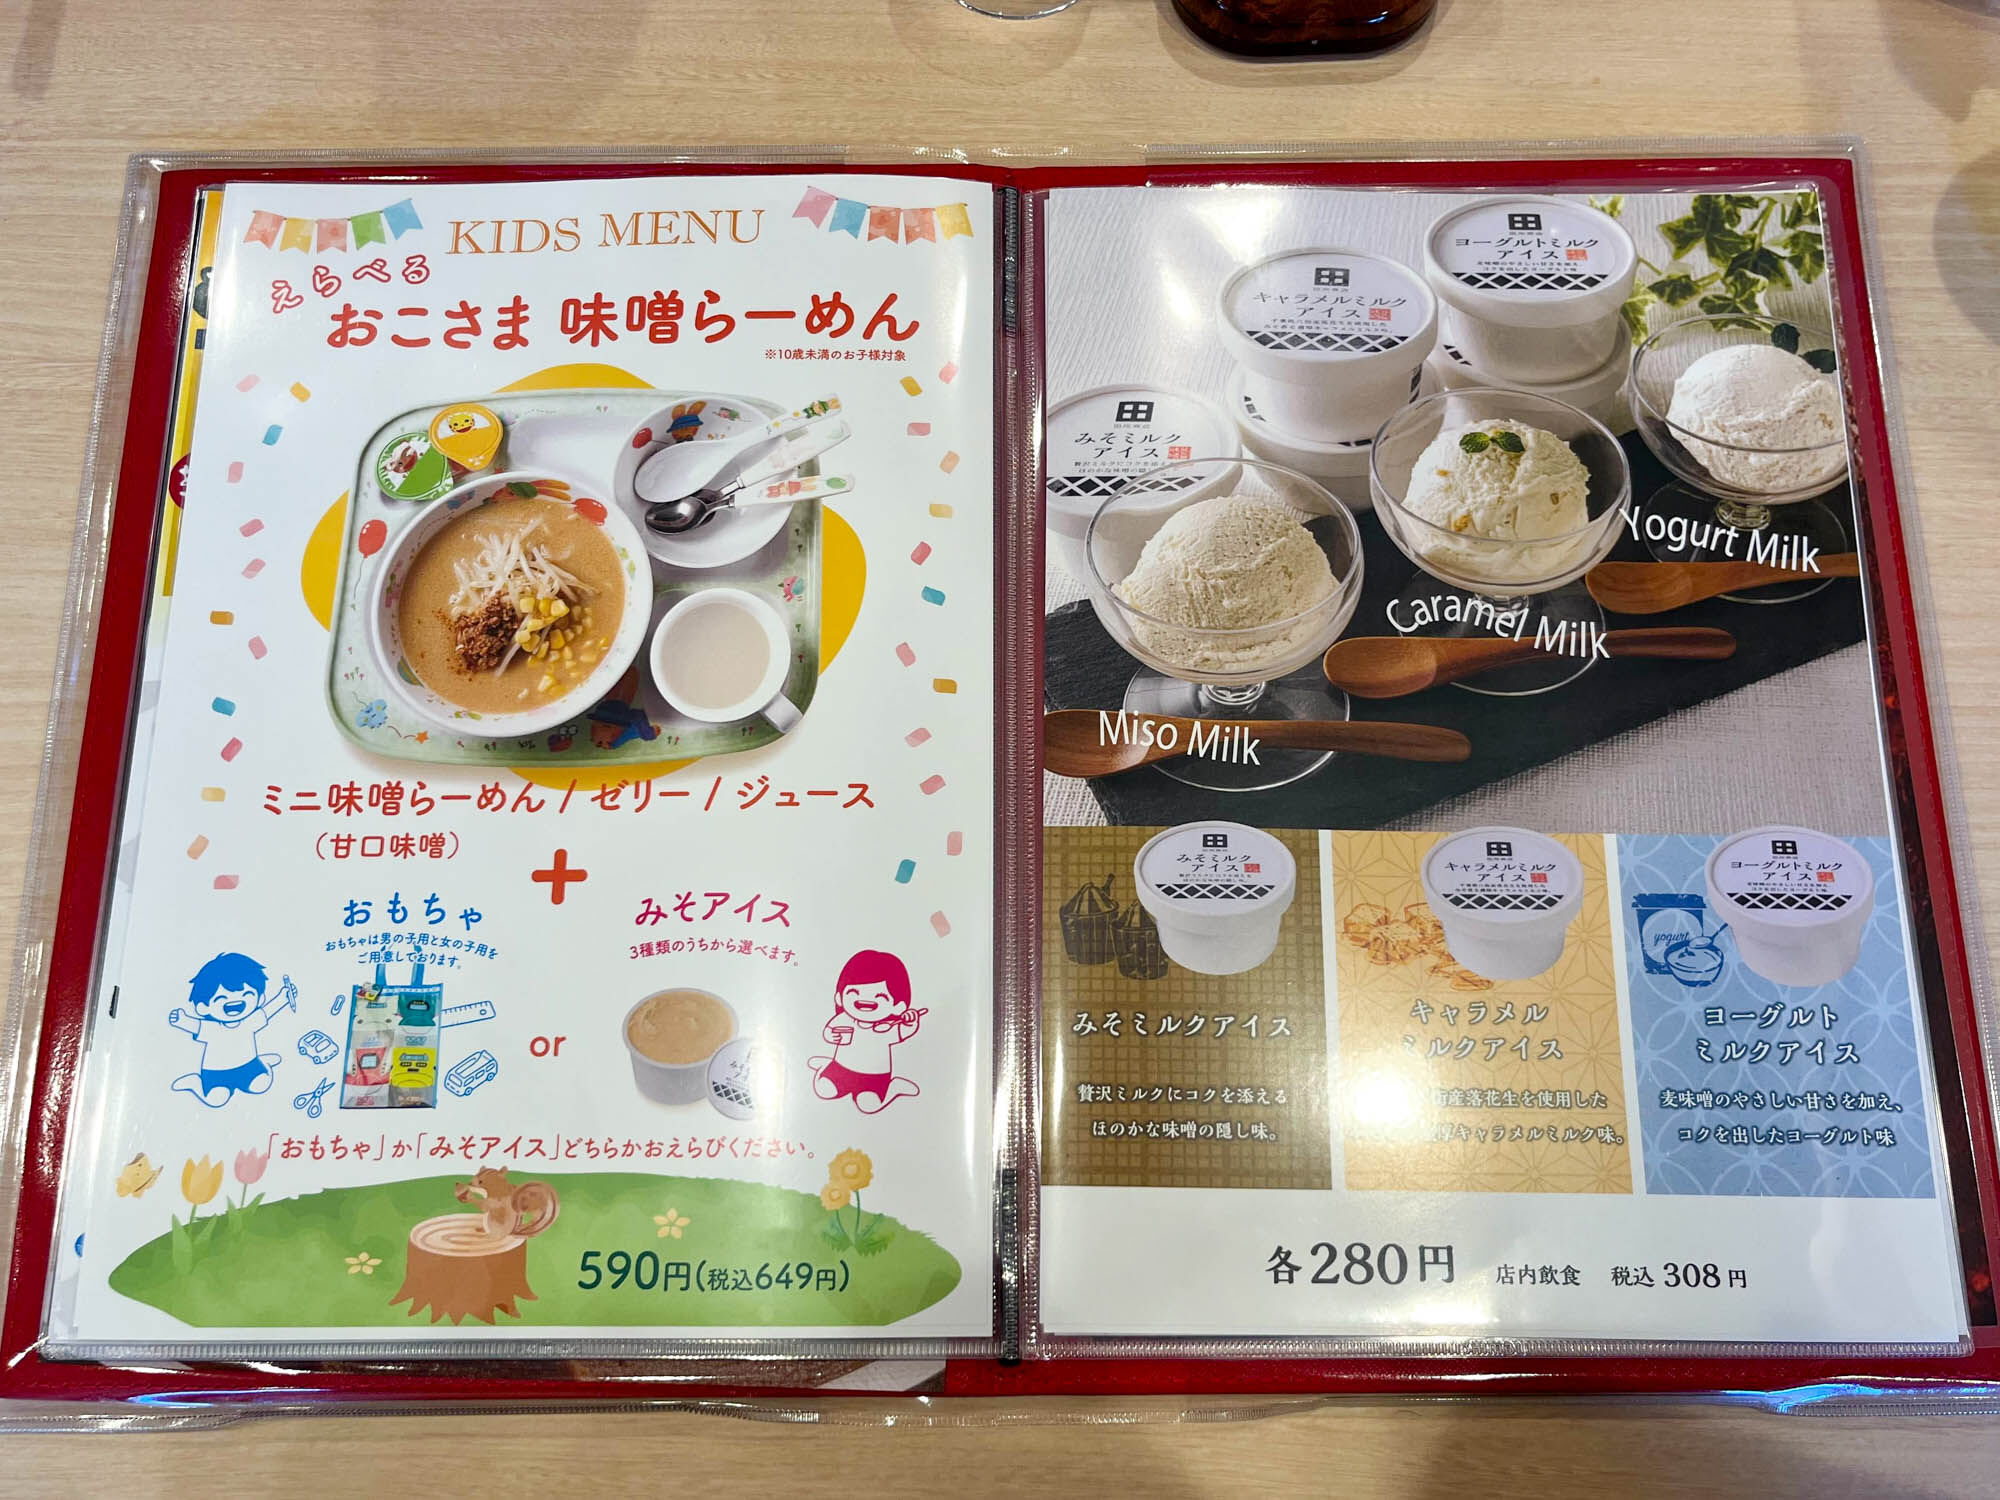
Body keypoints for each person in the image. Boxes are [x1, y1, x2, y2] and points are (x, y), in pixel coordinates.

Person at [167, 953, 291, 1108]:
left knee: (261, 1084)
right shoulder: (211, 1028)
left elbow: (269, 1011)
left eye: (247, 994)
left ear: (260, 999)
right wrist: (181, 1020)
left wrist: (283, 997)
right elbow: (195, 1026)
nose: (235, 1001)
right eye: (220, 998)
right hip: (217, 1073)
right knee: (216, 1099)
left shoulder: (249, 1022)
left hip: (249, 1066)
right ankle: (195, 1083)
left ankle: (263, 1063)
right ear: (203, 1007)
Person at [808, 949, 924, 1115]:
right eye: (854, 993)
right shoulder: (845, 1019)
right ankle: (825, 1065)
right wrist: (831, 1035)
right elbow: (828, 1031)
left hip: (875, 1075)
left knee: (868, 1105)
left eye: (880, 996)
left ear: (898, 1006)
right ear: (839, 998)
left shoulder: (886, 1027)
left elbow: (903, 1032)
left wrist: (911, 1022)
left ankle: (894, 1087)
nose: (865, 1000)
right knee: (824, 1089)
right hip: (841, 1067)